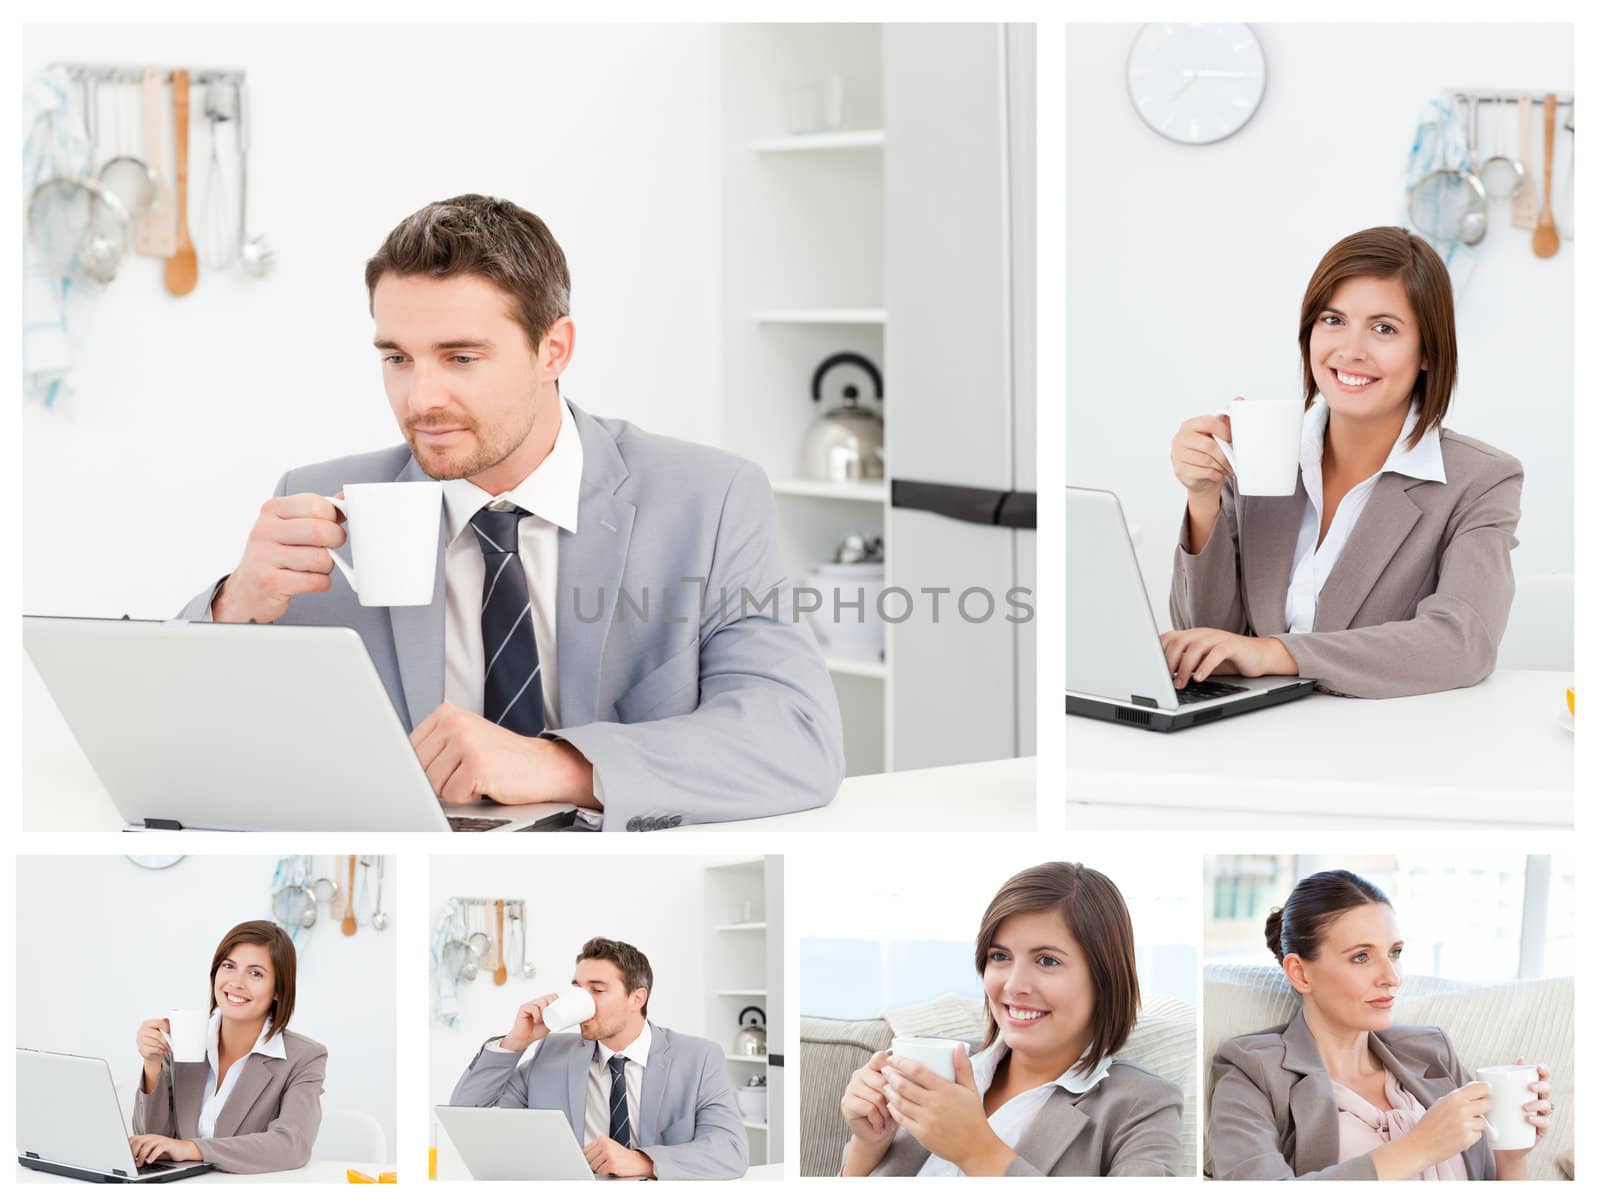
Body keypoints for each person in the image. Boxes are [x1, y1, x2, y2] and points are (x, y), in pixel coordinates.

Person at [179, 194, 843, 829]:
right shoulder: (323, 512)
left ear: (553, 350)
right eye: (397, 359)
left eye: (460, 357)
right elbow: (182, 755)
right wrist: (231, 608)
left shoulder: (707, 500)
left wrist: (560, 765)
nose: (421, 398)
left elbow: (796, 738)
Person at [1165, 226, 1523, 698]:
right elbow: (1205, 640)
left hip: (1381, 748)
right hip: (1246, 740)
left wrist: (1277, 652)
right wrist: (1203, 497)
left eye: (1384, 329)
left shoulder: (1478, 480)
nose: (1351, 351)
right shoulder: (1261, 450)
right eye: (1333, 321)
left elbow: (1462, 642)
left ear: (1429, 354)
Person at [838, 863, 1183, 1176]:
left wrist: (976, 1151)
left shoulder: (1142, 1105)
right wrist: (869, 1145)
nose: (1014, 985)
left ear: (1104, 978)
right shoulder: (934, 1068)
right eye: (1000, 956)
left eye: (1047, 961)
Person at [1208, 869, 1556, 1180]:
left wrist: (1510, 1158)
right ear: (1300, 973)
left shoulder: (1432, 1051)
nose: (1391, 977)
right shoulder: (1251, 1070)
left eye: (1395, 953)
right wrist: (1420, 1146)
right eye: (1361, 957)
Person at [450, 936, 746, 1180]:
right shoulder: (551, 1054)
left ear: (637, 999)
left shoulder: (698, 1058)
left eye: (598, 990)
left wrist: (642, 1161)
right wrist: (515, 1042)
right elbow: (466, 1113)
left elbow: (730, 1150)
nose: (583, 1001)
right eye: (578, 988)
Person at [129, 920, 327, 1173]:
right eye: (228, 966)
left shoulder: (304, 1057)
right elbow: (151, 1142)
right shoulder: (182, 1039)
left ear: (278, 989)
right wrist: (152, 1063)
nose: (236, 982)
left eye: (255, 973)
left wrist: (193, 1148)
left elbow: (292, 1145)